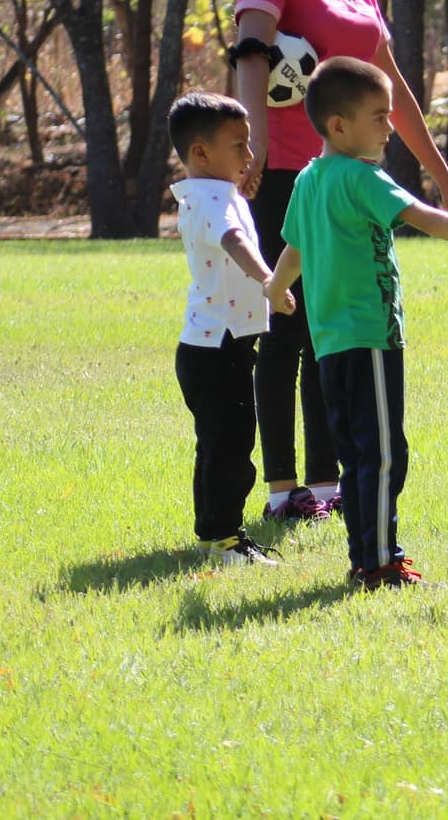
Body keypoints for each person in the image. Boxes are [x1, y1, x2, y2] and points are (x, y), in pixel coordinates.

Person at [230, 0, 448, 525]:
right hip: (287, 171)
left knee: (333, 325)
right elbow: (251, 55)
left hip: (352, 176)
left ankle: (330, 481)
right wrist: (250, 138)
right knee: (287, 320)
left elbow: (391, 88)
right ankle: (285, 489)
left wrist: (445, 182)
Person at [262, 58, 448, 589]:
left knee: (359, 455)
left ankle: (367, 553)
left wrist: (275, 285)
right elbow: (427, 217)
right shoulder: (362, 177)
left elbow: (294, 248)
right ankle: (379, 563)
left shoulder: (310, 178)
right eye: (380, 117)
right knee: (380, 456)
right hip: (370, 338)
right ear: (339, 125)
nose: (388, 128)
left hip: (331, 342)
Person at [168, 92, 293, 566]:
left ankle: (214, 533)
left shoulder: (211, 194)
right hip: (216, 347)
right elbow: (232, 238)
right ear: (201, 153)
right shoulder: (212, 202)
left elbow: (230, 221)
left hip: (214, 344)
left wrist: (240, 195)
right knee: (231, 444)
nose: (250, 155)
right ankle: (223, 537)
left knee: (220, 441)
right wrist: (269, 280)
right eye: (239, 145)